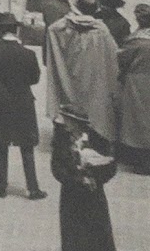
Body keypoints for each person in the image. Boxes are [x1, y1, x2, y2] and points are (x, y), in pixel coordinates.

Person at [0, 11, 47, 200]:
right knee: (27, 146)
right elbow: (35, 78)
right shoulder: (28, 54)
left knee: (1, 145)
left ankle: (1, 186)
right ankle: (33, 188)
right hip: (23, 102)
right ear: (16, 30)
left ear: (0, 31)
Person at [45, 0, 120, 149]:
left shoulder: (63, 26)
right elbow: (113, 57)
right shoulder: (101, 29)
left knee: (70, 107)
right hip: (94, 77)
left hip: (71, 74)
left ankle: (69, 139)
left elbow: (52, 31)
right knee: (94, 107)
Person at [51, 104, 117, 251]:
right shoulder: (60, 140)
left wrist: (95, 176)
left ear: (77, 123)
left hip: (94, 198)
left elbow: (111, 167)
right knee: (73, 238)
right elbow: (57, 169)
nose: (64, 124)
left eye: (67, 120)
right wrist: (78, 179)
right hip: (71, 198)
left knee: (97, 237)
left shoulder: (97, 140)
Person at [117, 2, 150, 172]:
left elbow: (121, 61)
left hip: (137, 84)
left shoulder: (134, 40)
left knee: (138, 122)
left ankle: (142, 161)